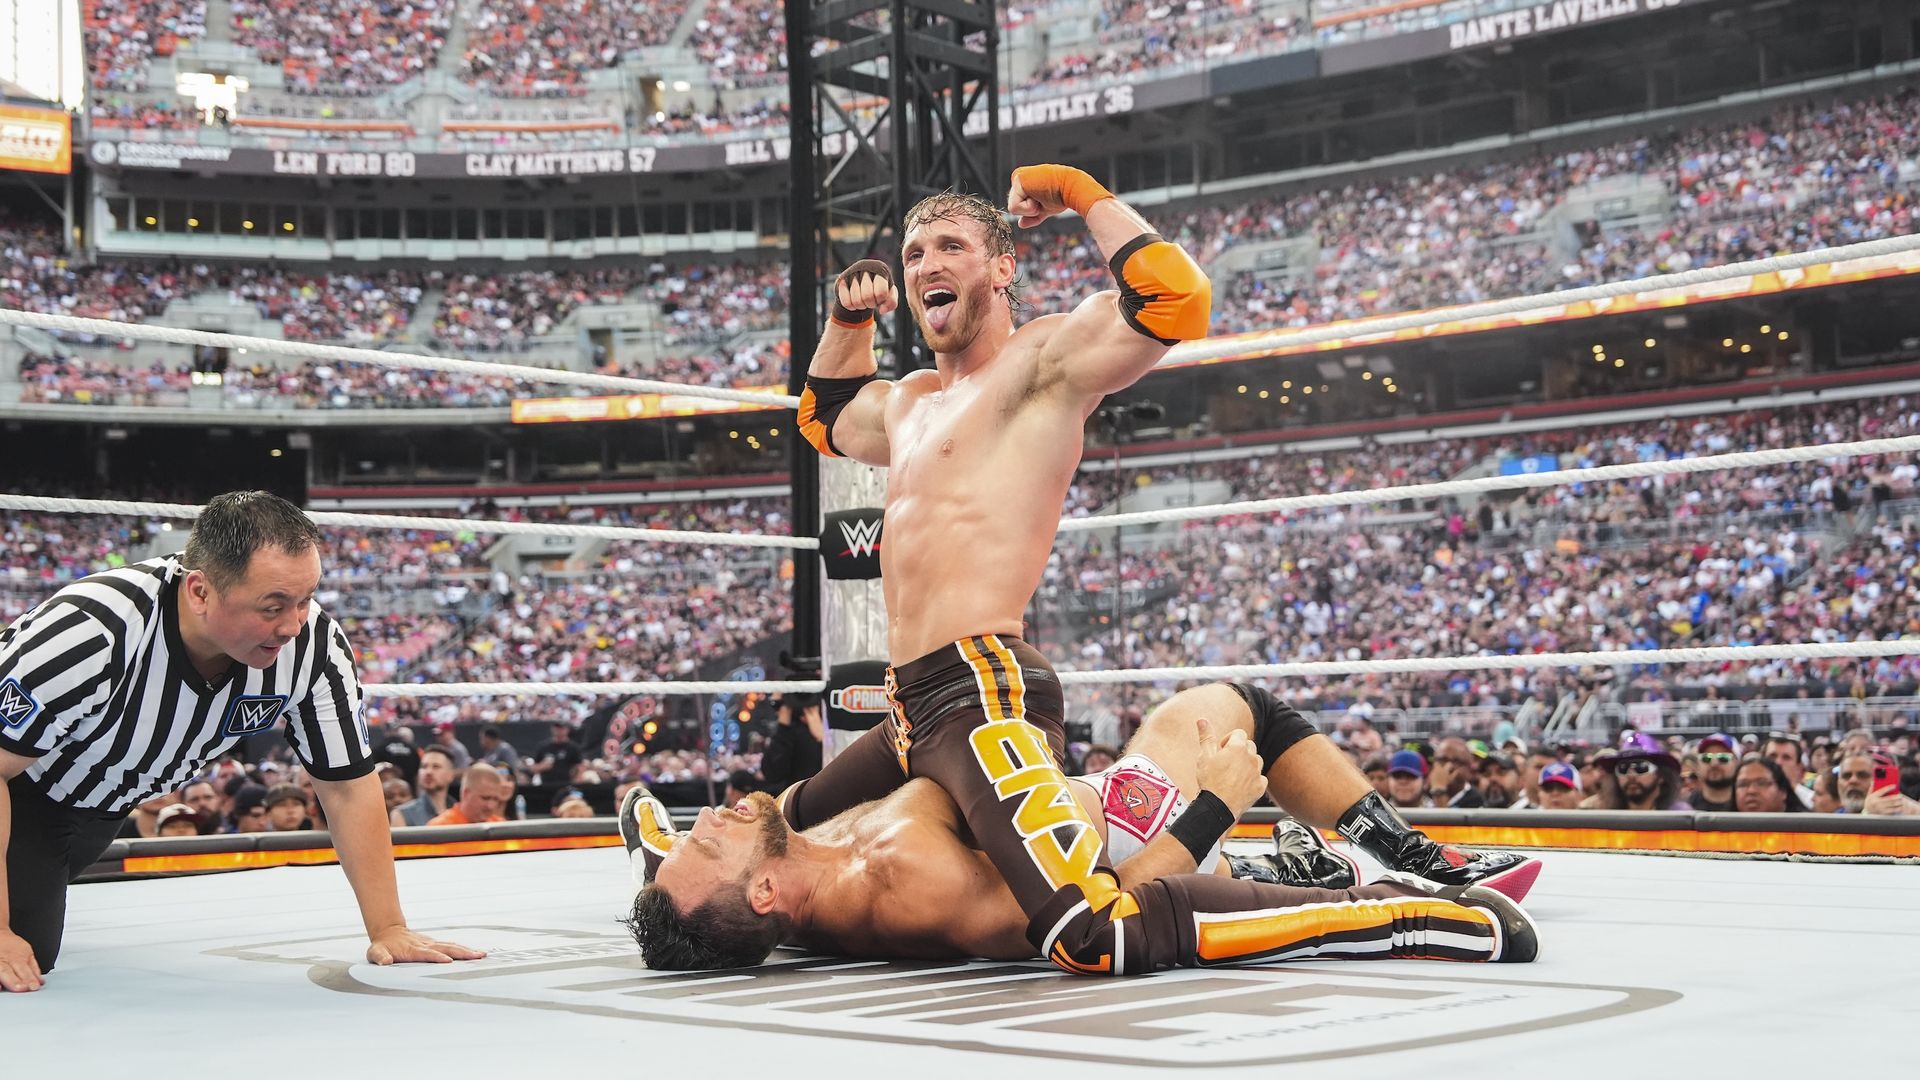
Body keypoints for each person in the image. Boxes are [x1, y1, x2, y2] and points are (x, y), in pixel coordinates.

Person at [784, 167, 1532, 976]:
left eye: (952, 246)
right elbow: (821, 417)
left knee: (1089, 918)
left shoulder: (1041, 363)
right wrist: (847, 316)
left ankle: (1409, 870)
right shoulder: (910, 402)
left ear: (1001, 267)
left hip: (981, 684)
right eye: (915, 251)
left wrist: (1079, 192)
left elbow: (1177, 301)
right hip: (910, 703)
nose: (927, 263)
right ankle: (1282, 864)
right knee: (780, 827)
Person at [628, 683, 1533, 969]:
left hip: (1069, 802)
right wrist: (1218, 799)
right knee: (1231, 706)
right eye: (707, 837)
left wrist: (658, 851)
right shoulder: (907, 883)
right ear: (761, 888)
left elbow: (711, 887)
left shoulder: (788, 893)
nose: (709, 814)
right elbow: (1102, 913)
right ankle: (1411, 860)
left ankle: (1302, 862)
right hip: (1133, 834)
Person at [0, 491, 481, 992]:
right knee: (20, 956)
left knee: (32, 929)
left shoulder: (313, 646)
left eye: (306, 599)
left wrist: (389, 929)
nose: (293, 624)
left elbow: (346, 783)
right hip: (22, 792)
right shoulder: (94, 630)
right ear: (200, 592)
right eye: (273, 606)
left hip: (103, 805)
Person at [758, 692, 822, 796]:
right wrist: (783, 726)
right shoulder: (785, 734)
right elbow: (772, 774)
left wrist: (823, 737)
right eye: (775, 704)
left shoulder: (829, 727)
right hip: (795, 800)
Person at [1612, 733, 1689, 811]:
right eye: (1622, 768)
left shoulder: (1678, 815)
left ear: (1661, 775)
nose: (1631, 775)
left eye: (1641, 767)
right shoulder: (1608, 816)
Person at [390, 745, 456, 827]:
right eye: (424, 766)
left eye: (436, 766)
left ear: (451, 775)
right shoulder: (402, 814)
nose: (428, 772)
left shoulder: (462, 811)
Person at [426, 763, 510, 826]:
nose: (490, 806)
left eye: (496, 799)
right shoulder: (440, 828)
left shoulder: (501, 827)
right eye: (485, 798)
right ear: (466, 793)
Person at [1686, 733, 1739, 812]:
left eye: (1723, 758)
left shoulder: (1746, 806)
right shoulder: (1685, 807)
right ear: (1698, 765)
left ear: (1737, 763)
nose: (1714, 764)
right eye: (1706, 758)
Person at [1732, 756, 1803, 814]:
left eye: (1761, 783)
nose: (1751, 791)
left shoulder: (1807, 828)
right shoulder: (1723, 828)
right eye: (1743, 784)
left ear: (1783, 792)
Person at [530, 721, 581, 790]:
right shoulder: (543, 747)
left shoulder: (573, 748)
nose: (559, 731)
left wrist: (575, 782)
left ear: (567, 730)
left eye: (562, 729)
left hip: (566, 785)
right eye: (557, 729)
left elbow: (579, 766)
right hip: (546, 785)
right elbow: (533, 768)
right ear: (552, 729)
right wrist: (542, 766)